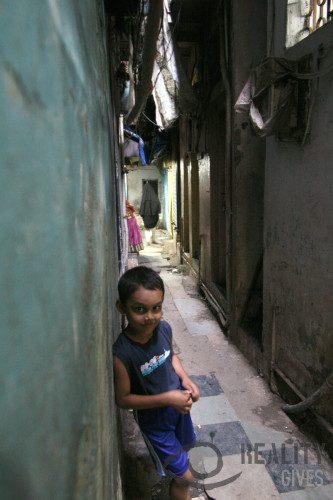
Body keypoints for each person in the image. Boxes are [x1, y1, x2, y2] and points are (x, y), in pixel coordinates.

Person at [113, 266, 200, 500]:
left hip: (178, 412)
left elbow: (171, 356)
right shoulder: (122, 354)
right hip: (155, 423)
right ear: (122, 308)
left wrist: (185, 379)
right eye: (139, 309)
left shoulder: (164, 329)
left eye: (156, 308)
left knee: (183, 453)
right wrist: (167, 399)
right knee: (184, 479)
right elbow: (123, 399)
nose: (150, 316)